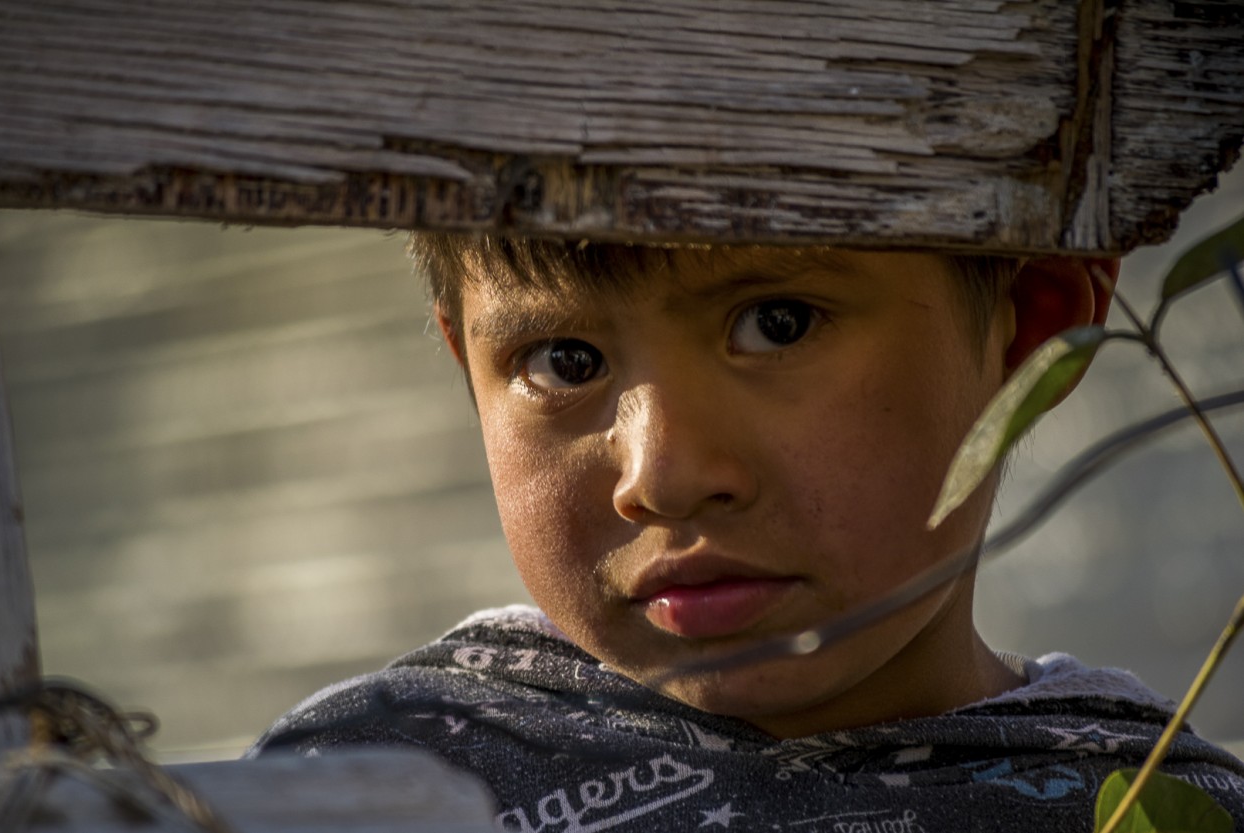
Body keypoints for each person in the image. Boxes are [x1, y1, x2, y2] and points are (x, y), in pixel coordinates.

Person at [248, 239, 1244, 831]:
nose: (664, 476)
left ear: (1029, 331)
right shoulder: (363, 787)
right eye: (565, 357)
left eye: (776, 321)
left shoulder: (1143, 802)